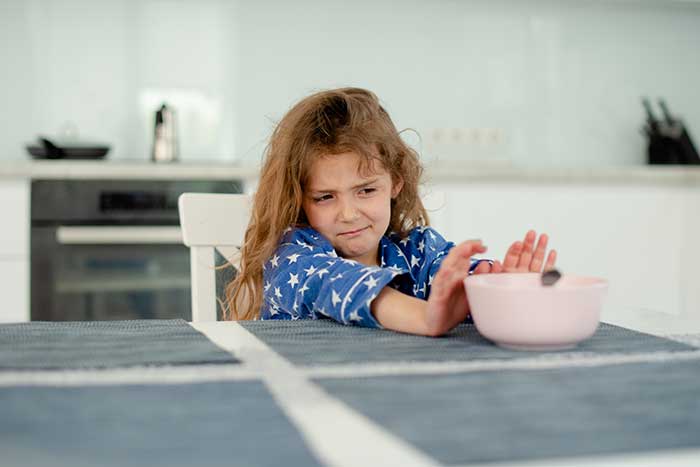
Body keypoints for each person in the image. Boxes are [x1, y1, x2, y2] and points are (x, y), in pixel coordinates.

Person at [224, 87, 556, 336]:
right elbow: (336, 283)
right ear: (298, 199)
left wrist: (498, 288)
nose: (349, 213)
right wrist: (426, 317)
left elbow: (454, 291)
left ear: (395, 182)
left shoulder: (418, 250)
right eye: (325, 197)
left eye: (366, 190)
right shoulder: (291, 257)